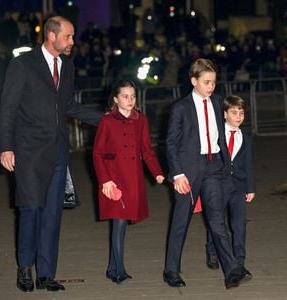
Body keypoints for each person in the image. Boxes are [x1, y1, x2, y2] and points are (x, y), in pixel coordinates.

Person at [0, 16, 101, 292]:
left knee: (52, 214)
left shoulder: (66, 66)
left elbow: (68, 106)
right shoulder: (23, 64)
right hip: (28, 152)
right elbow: (8, 108)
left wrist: (108, 119)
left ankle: (46, 273)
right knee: (30, 210)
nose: (72, 42)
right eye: (68, 37)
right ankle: (25, 268)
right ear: (52, 36)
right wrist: (6, 147)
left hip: (58, 152)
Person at [163, 58, 250, 289]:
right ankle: (171, 269)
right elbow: (170, 144)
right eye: (206, 82)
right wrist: (177, 174)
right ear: (194, 81)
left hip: (214, 168)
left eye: (213, 82)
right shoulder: (180, 108)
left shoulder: (218, 102)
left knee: (217, 220)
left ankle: (231, 270)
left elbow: (226, 131)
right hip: (189, 171)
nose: (211, 86)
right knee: (181, 221)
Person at [93, 79, 164, 284]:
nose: (130, 100)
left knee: (122, 223)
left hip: (132, 179)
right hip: (113, 181)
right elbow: (97, 154)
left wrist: (157, 172)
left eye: (132, 96)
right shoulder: (106, 121)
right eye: (125, 96)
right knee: (119, 223)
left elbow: (146, 150)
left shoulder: (141, 119)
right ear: (115, 99)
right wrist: (105, 180)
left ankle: (112, 267)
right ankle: (119, 270)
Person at [206, 95, 255, 280]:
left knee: (239, 224)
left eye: (241, 113)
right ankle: (212, 250)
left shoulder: (246, 137)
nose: (238, 116)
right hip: (219, 184)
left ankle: (239, 260)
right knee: (217, 220)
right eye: (234, 112)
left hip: (239, 186)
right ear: (224, 114)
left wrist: (251, 187)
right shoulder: (217, 134)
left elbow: (248, 163)